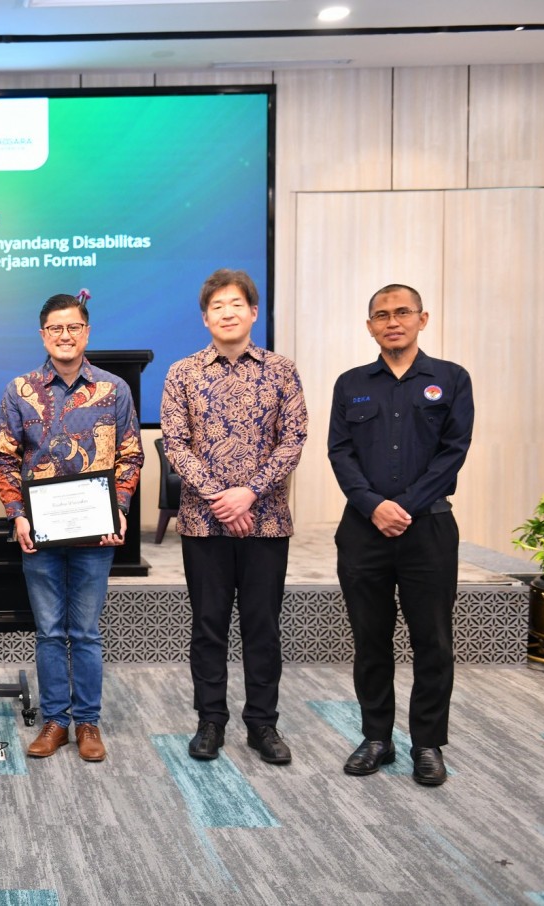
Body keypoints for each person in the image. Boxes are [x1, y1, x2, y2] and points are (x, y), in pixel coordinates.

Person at [160, 269, 308, 765]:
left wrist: (249, 493)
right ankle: (210, 721)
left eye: (235, 304)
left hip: (266, 522)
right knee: (208, 626)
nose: (227, 312)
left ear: (253, 312)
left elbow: (293, 441)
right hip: (204, 524)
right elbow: (176, 445)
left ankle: (263, 725)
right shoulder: (182, 373)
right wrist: (222, 498)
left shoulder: (281, 370)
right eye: (217, 306)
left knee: (263, 627)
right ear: (205, 317)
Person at [329, 283, 473, 786]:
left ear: (422, 319)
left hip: (428, 528)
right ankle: (376, 738)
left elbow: (454, 450)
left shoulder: (451, 379)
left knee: (432, 640)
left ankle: (428, 743)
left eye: (402, 313)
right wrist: (373, 506)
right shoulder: (351, 384)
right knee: (370, 639)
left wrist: (402, 508)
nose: (393, 321)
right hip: (363, 532)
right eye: (382, 315)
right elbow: (339, 453)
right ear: (369, 326)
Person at [0, 291, 143, 762]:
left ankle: (88, 723)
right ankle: (55, 721)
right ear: (43, 335)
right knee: (50, 631)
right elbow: (4, 458)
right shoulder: (20, 390)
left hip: (94, 534)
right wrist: (17, 515)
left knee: (86, 632)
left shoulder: (114, 389)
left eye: (73, 327)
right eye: (55, 328)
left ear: (86, 332)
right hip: (39, 533)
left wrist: (119, 506)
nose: (64, 335)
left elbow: (131, 454)